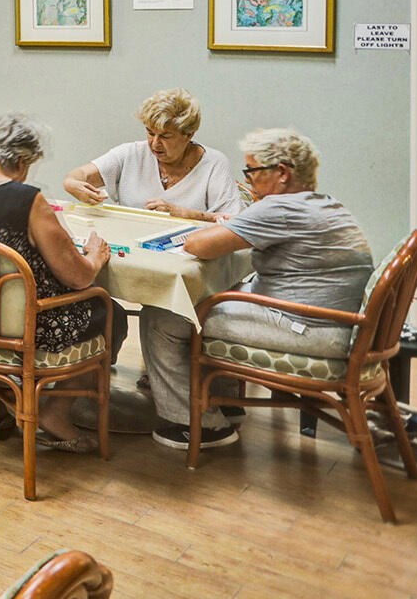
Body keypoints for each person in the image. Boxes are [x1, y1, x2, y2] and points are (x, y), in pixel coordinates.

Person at [140, 128, 373, 452]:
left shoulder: (280, 207)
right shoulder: (324, 203)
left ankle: (200, 425)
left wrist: (230, 222)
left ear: (281, 173)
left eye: (252, 171)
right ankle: (226, 404)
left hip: (309, 330)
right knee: (211, 298)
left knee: (163, 317)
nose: (248, 180)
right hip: (339, 325)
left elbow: (198, 245)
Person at [0, 113, 114, 452]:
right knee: (108, 311)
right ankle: (55, 412)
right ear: (23, 159)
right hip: (22, 329)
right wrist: (95, 256)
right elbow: (78, 276)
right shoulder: (27, 199)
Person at [63, 89, 244, 221]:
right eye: (150, 133)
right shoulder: (131, 153)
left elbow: (234, 221)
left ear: (189, 135)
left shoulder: (214, 164)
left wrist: (184, 214)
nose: (155, 143)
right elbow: (80, 176)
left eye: (166, 136)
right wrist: (72, 184)